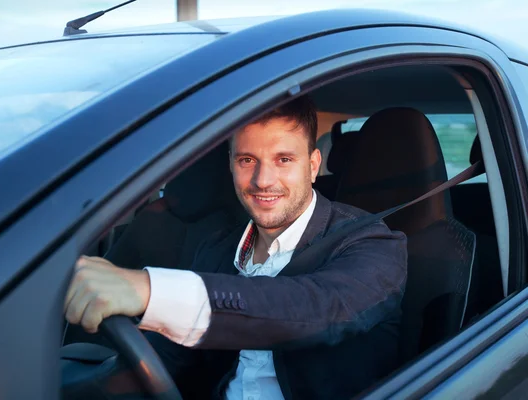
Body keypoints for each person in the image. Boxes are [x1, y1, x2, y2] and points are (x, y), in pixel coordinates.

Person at [64, 95, 408, 399]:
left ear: (313, 165)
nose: (262, 180)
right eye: (247, 160)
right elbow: (170, 357)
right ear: (230, 165)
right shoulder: (218, 248)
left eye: (283, 160)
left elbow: (315, 310)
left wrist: (149, 291)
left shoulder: (372, 244)